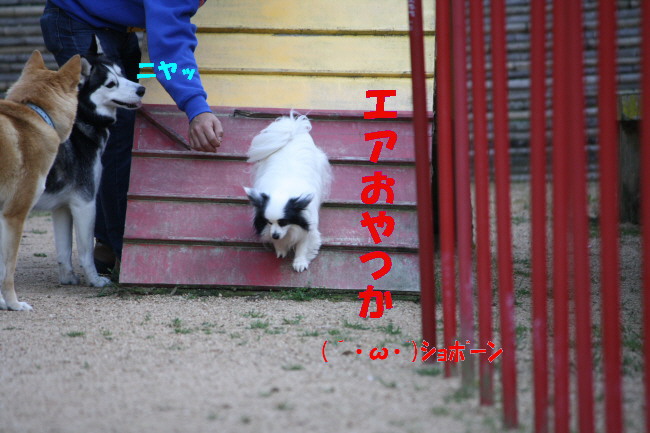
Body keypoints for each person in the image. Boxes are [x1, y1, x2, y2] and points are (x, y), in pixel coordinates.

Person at [40, 0, 223, 273]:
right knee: (116, 129)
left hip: (116, 26)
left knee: (125, 123)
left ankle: (105, 243)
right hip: (78, 18)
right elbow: (170, 51)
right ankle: (125, 252)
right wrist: (197, 107)